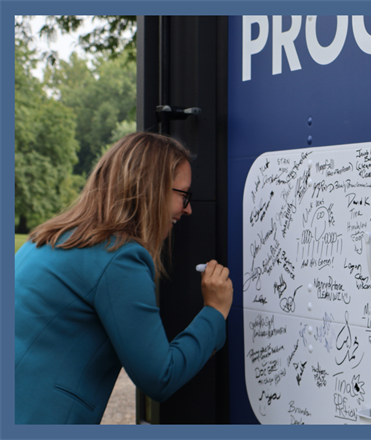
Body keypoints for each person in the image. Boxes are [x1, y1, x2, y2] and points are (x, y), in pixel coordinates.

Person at [15, 131, 233, 424]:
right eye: (184, 195)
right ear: (152, 189)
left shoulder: (48, 237)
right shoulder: (119, 255)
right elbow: (160, 377)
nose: (189, 208)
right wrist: (214, 312)